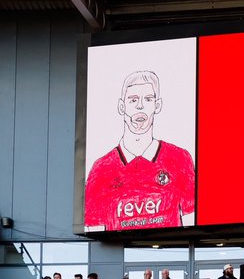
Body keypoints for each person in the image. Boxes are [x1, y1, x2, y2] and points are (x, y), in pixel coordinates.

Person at [84, 71, 196, 232]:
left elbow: (191, 218)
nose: (140, 106)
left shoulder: (179, 159)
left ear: (157, 105)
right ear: (122, 106)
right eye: (133, 100)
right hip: (121, 253)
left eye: (148, 99)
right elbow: (94, 230)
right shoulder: (101, 168)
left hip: (172, 250)